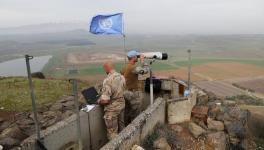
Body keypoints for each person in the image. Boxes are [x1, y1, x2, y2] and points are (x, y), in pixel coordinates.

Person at [97, 61, 126, 140]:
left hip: (112, 109)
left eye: (104, 68)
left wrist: (99, 101)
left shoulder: (108, 80)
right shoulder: (121, 76)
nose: (104, 70)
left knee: (112, 134)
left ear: (106, 68)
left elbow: (105, 100)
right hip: (121, 105)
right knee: (122, 127)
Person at [121, 50, 148, 125]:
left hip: (125, 92)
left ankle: (125, 127)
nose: (138, 57)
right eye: (137, 56)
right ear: (133, 58)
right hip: (132, 93)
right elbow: (145, 71)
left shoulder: (125, 66)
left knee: (127, 111)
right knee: (136, 111)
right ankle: (134, 127)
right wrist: (143, 61)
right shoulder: (132, 67)